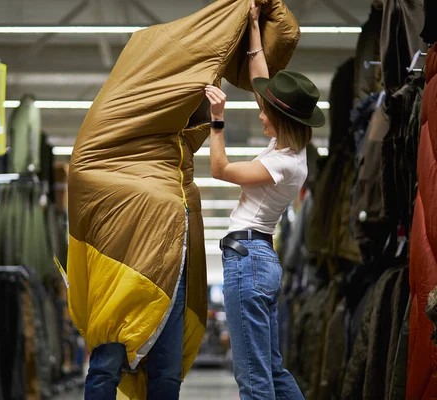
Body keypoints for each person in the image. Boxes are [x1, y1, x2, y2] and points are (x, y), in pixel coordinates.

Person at [204, 1, 326, 399]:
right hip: (259, 260)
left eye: (267, 112)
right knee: (271, 371)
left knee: (254, 379)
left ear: (282, 120)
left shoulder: (281, 164)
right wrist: (254, 26)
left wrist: (216, 119)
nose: (260, 113)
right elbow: (260, 80)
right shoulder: (291, 148)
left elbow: (219, 169)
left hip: (248, 264)